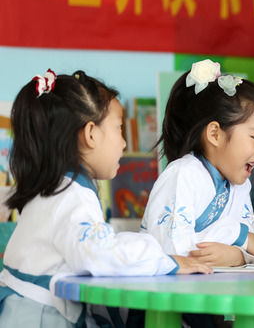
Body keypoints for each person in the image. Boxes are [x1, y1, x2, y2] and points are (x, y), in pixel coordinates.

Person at [0, 69, 210, 327]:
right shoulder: (72, 195)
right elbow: (98, 255)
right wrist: (164, 260)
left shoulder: (53, 188)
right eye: (119, 128)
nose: (123, 143)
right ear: (91, 134)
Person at [141, 59, 254, 268]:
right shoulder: (182, 174)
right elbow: (171, 251)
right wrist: (237, 235)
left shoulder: (240, 185)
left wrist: (237, 256)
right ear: (215, 134)